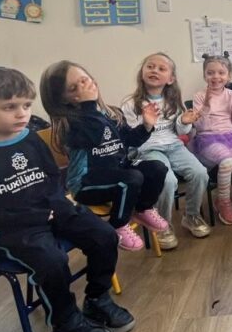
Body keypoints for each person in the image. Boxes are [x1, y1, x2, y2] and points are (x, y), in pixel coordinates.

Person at [0, 67, 132, 332]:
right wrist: (31, 217)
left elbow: (51, 178)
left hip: (48, 212)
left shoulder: (29, 138)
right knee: (51, 259)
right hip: (4, 229)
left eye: (26, 105)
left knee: (104, 235)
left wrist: (61, 206)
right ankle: (65, 320)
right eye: (9, 107)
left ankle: (97, 299)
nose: (22, 114)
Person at [40, 60, 169, 251]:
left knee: (157, 167)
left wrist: (146, 125)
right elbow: (93, 136)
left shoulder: (110, 113)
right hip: (87, 184)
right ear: (63, 100)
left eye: (85, 80)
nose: (84, 86)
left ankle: (142, 208)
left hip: (118, 174)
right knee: (131, 179)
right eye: (74, 87)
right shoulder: (69, 124)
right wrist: (89, 105)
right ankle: (117, 225)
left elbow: (130, 140)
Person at [121, 52, 211, 247]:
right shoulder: (130, 104)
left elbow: (180, 131)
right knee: (167, 180)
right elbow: (132, 138)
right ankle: (163, 225)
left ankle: (191, 216)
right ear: (142, 72)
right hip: (147, 149)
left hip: (174, 145)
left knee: (200, 173)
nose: (154, 70)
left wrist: (184, 121)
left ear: (170, 79)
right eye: (150, 66)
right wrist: (146, 123)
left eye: (161, 69)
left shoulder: (173, 101)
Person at [189, 53, 232, 223]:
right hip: (207, 137)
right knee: (227, 161)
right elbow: (200, 126)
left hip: (231, 136)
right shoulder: (199, 96)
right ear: (204, 75)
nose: (216, 77)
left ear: (229, 76)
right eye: (210, 73)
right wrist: (205, 106)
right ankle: (223, 201)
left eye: (221, 73)